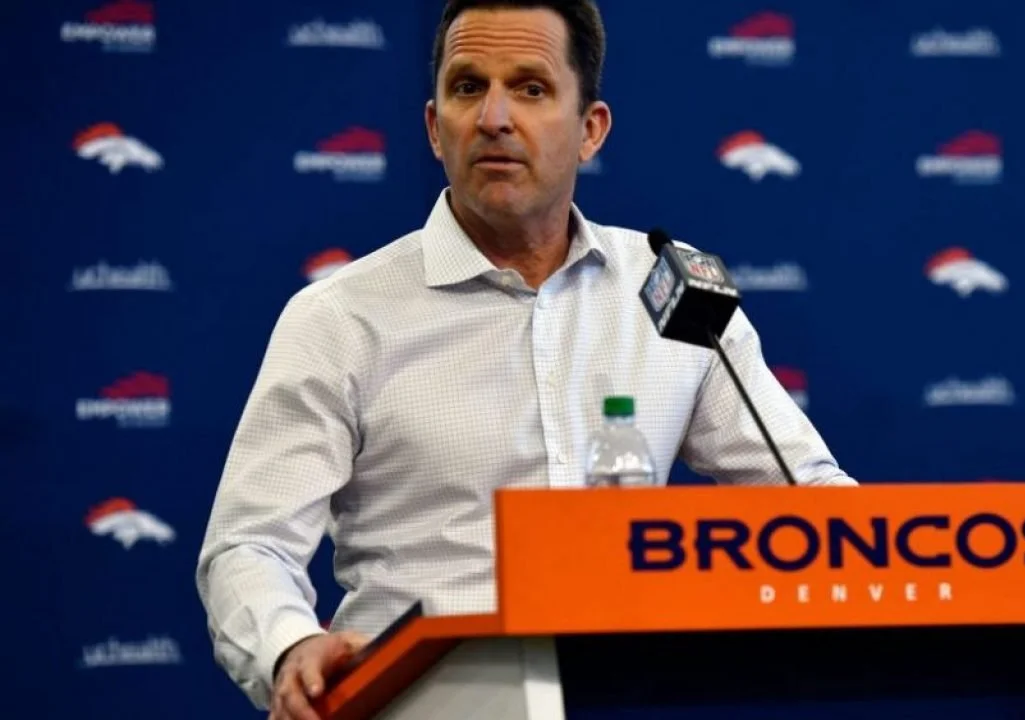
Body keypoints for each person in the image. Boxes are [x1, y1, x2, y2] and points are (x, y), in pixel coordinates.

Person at [195, 1, 856, 718]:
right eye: (468, 87)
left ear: (590, 130)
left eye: (530, 88)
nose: (494, 118)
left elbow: (810, 498)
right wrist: (291, 647)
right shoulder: (341, 318)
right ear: (434, 127)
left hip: (629, 697)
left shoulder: (670, 289)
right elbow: (249, 545)